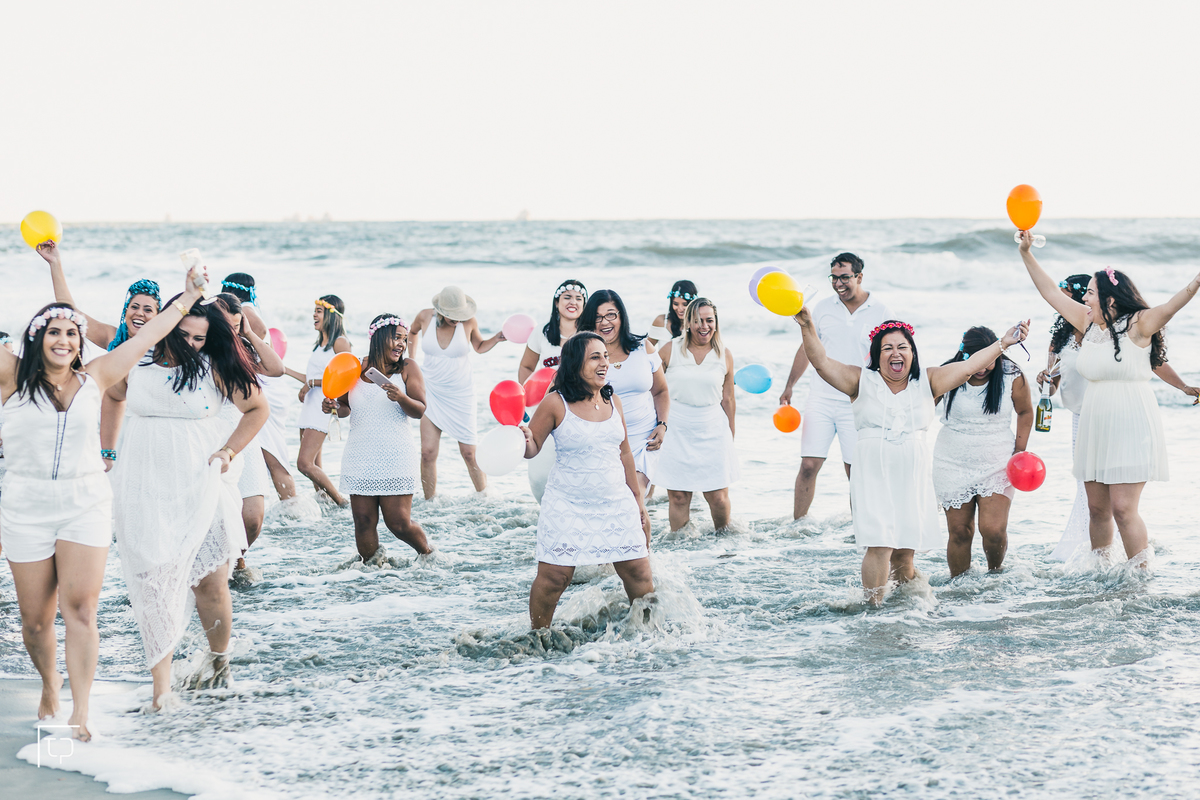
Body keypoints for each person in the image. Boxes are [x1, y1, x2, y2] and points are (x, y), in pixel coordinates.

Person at [1, 244, 203, 738]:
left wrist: (188, 297)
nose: (64, 339)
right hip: (24, 506)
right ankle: (49, 682)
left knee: (82, 611)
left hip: (85, 503)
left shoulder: (98, 376)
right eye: (54, 331)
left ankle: (81, 711)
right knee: (35, 622)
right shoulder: (11, 379)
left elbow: (149, 334)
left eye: (72, 332)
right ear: (37, 338)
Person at [796, 306, 1029, 604]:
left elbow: (969, 367)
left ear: (912, 353)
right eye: (888, 348)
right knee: (880, 543)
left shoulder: (928, 382)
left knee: (905, 552)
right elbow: (821, 362)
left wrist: (1003, 344)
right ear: (876, 355)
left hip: (912, 474)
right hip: (873, 472)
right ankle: (871, 610)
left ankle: (905, 609)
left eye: (902, 347)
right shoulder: (859, 381)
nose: (896, 353)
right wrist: (807, 326)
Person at [107, 293, 269, 710]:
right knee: (152, 582)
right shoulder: (137, 358)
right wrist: (106, 452)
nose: (194, 344)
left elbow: (257, 408)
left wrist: (229, 450)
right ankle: (161, 689)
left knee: (210, 583)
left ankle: (219, 664)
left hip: (199, 482)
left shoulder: (215, 365)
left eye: (201, 338)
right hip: (143, 483)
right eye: (185, 335)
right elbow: (112, 395)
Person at [1018, 231, 1200, 563]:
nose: (1084, 300)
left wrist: (1197, 281)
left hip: (1131, 421)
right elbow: (1049, 291)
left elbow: (1172, 305)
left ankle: (1140, 575)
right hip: (1094, 422)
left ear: (1110, 299)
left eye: (1090, 293)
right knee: (1097, 509)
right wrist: (1026, 252)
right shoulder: (1087, 323)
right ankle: (1101, 571)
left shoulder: (1139, 324)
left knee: (1123, 509)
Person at [519, 333, 654, 629]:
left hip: (616, 502)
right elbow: (532, 448)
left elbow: (625, 453)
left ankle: (648, 636)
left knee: (638, 572)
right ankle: (538, 636)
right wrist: (522, 437)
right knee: (555, 578)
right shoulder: (555, 403)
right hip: (567, 504)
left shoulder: (613, 400)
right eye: (595, 357)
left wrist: (639, 503)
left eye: (605, 356)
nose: (604, 362)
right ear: (575, 364)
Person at [780, 254, 891, 520]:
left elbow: (892, 354)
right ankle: (798, 525)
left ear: (859, 277)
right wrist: (790, 385)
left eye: (844, 277)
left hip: (858, 401)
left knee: (855, 470)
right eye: (834, 278)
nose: (838, 284)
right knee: (809, 465)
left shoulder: (881, 311)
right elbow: (807, 348)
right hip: (820, 398)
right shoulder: (822, 308)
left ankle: (861, 528)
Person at [324, 315, 433, 563]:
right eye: (396, 338)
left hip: (396, 456)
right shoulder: (355, 367)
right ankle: (372, 573)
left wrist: (401, 398)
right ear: (379, 338)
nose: (402, 344)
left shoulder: (408, 368)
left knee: (399, 523)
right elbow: (344, 407)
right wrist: (332, 407)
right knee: (363, 522)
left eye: (404, 339)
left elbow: (419, 410)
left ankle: (430, 557)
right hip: (360, 456)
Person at [932, 327, 1034, 576]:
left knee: (993, 530)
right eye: (977, 360)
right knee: (959, 532)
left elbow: (1025, 411)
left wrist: (1019, 453)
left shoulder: (1011, 374)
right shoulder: (948, 372)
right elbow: (921, 407)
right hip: (951, 462)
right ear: (964, 353)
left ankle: (994, 577)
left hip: (997, 462)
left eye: (990, 361)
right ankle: (959, 585)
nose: (983, 367)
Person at [213, 293, 286, 573]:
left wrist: (249, 334)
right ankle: (221, 570)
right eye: (226, 326)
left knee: (253, 517)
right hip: (213, 433)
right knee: (218, 513)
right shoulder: (198, 347)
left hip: (245, 432)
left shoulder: (242, 348)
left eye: (235, 326)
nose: (230, 333)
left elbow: (277, 369)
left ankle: (234, 558)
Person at [410, 286, 505, 499]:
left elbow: (479, 346)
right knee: (427, 453)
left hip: (461, 393)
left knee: (469, 452)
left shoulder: (469, 322)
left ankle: (484, 498)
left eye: (460, 314)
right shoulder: (424, 317)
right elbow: (412, 332)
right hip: (431, 389)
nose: (457, 319)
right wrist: (411, 360)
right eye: (453, 315)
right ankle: (430, 503)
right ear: (441, 310)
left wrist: (497, 338)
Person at [655, 298, 738, 532]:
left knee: (718, 497)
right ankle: (681, 546)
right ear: (688, 323)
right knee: (679, 496)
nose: (704, 326)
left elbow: (728, 399)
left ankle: (725, 542)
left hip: (713, 428)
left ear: (716, 322)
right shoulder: (670, 349)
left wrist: (731, 435)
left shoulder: (724, 354)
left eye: (709, 320)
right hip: (676, 429)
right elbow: (652, 390)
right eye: (698, 320)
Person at [578, 290, 669, 496]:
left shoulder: (643, 348)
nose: (604, 322)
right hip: (602, 442)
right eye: (598, 317)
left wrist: (662, 425)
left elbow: (661, 391)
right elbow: (561, 395)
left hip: (644, 439)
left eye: (611, 314)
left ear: (621, 316)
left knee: (634, 495)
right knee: (611, 501)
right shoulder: (580, 355)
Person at [221, 273, 299, 506]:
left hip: (264, 385)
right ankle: (287, 505)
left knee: (270, 452)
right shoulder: (248, 309)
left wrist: (244, 357)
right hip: (265, 382)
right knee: (266, 449)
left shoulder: (244, 311)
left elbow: (262, 336)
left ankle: (291, 507)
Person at [284, 296, 351, 506]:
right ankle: (325, 504)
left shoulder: (340, 342)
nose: (314, 314)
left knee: (304, 464)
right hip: (309, 406)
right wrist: (284, 370)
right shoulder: (320, 345)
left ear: (331, 315)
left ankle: (340, 502)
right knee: (314, 463)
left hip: (323, 407)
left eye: (319, 311)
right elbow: (311, 377)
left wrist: (311, 383)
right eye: (314, 310)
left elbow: (347, 374)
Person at [518, 279, 587, 382]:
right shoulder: (542, 332)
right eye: (567, 297)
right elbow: (526, 367)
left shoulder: (590, 334)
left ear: (584, 305)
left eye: (578, 299)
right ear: (556, 302)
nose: (573, 302)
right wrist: (531, 390)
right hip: (549, 392)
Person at [648, 280, 697, 346]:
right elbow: (646, 349)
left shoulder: (701, 324)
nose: (680, 309)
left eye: (685, 304)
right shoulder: (661, 322)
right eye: (676, 304)